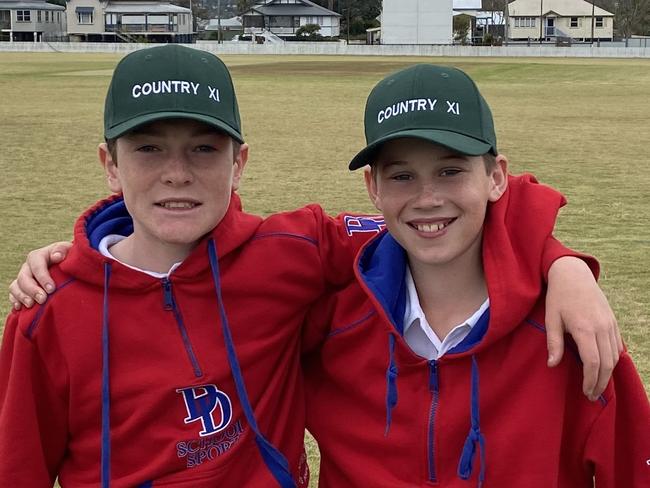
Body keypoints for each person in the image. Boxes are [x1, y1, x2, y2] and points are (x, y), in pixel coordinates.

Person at [2, 46, 621, 487]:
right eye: (148, 149)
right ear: (110, 165)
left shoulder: (290, 250)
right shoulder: (47, 311)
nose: (177, 172)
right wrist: (79, 267)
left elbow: (426, 224)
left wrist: (560, 262)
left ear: (239, 161)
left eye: (203, 149)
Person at [302, 64, 650, 487]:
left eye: (451, 171)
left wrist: (564, 262)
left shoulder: (575, 332)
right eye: (402, 176)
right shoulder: (331, 321)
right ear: (373, 187)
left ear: (496, 177)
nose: (427, 199)